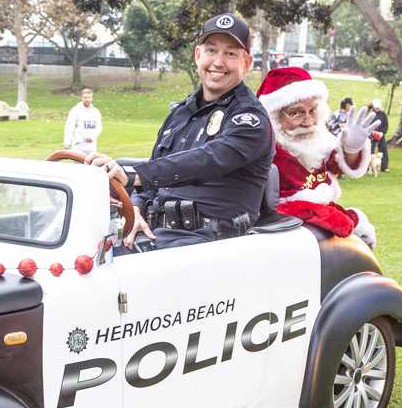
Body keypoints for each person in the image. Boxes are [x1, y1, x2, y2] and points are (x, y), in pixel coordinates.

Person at [88, 13, 272, 250]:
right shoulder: (181, 114)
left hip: (212, 243)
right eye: (211, 50)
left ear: (246, 62)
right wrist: (136, 207)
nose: (218, 62)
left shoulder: (250, 119)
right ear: (197, 55)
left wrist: (134, 174)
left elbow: (208, 159)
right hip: (158, 233)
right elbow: (154, 176)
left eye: (230, 54)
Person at [256, 67, 379, 248]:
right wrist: (344, 219)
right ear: (274, 116)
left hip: (321, 225)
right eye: (295, 113)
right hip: (289, 237)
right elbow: (274, 208)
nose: (308, 122)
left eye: (313, 111)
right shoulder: (266, 151)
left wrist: (351, 147)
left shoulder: (316, 139)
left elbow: (338, 164)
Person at [63, 88, 103, 155]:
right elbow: (69, 127)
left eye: (89, 97)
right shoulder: (75, 110)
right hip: (78, 146)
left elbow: (99, 127)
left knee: (90, 162)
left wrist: (92, 137)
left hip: (91, 147)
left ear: (92, 98)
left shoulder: (96, 112)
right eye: (85, 97)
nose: (87, 99)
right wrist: (67, 142)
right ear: (82, 98)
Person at [370, 99, 389, 171]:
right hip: (372, 135)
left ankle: (384, 166)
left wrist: (382, 133)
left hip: (381, 135)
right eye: (376, 108)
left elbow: (386, 125)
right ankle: (369, 167)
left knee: (383, 149)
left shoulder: (383, 114)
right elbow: (368, 125)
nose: (377, 109)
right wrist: (373, 132)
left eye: (378, 108)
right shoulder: (370, 114)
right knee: (370, 150)